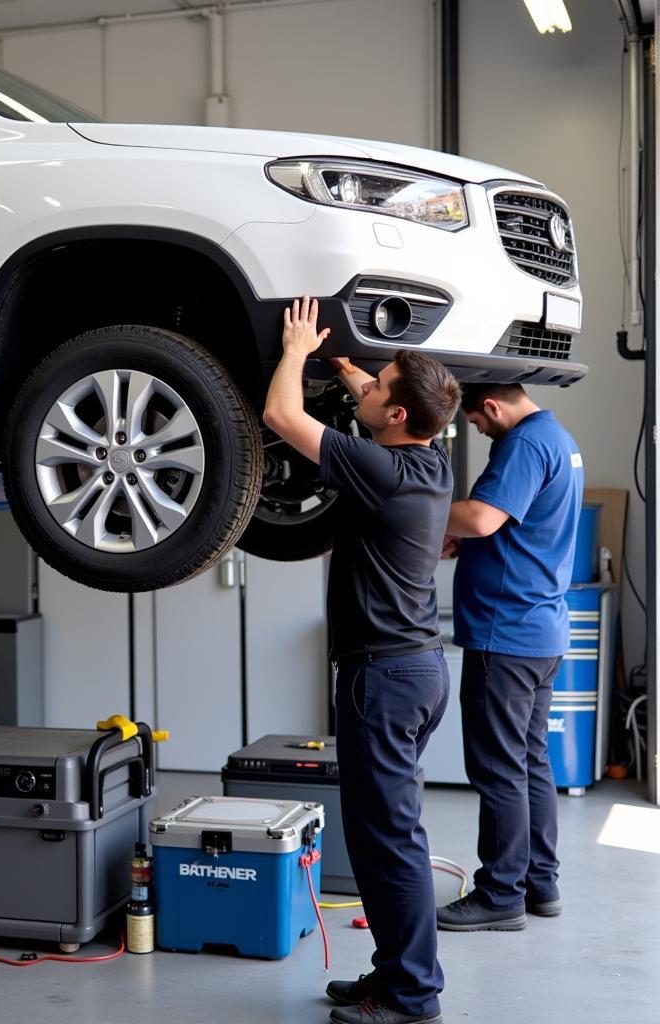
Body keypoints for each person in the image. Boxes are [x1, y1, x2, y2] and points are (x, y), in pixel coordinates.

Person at [263, 296, 461, 1024]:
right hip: (414, 671)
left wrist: (294, 349)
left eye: (378, 388)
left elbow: (284, 419)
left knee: (389, 842)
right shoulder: (429, 462)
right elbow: (386, 405)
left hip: (383, 676)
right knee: (386, 836)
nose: (367, 390)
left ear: (399, 418)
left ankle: (412, 996)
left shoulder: (382, 470)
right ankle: (392, 974)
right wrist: (351, 372)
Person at [436, 383, 583, 932]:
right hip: (539, 630)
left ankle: (500, 894)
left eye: (475, 421)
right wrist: (468, 539)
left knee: (498, 767)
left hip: (507, 634)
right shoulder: (558, 439)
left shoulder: (524, 443)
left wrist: (431, 515)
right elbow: (515, 526)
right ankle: (540, 884)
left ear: (493, 407)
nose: (478, 430)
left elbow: (480, 517)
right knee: (529, 760)